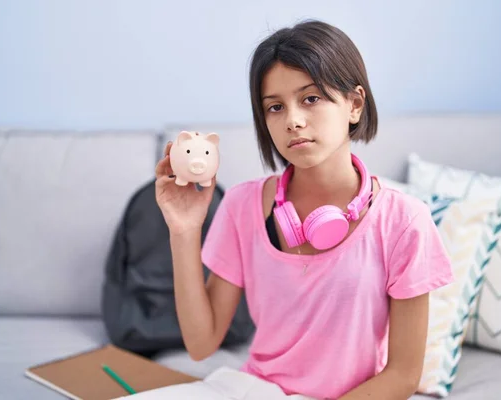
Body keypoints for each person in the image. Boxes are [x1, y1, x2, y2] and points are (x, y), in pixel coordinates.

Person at [151, 19, 454, 400]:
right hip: (254, 389)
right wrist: (184, 230)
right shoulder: (243, 205)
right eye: (275, 107)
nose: (292, 120)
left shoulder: (405, 221)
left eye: (310, 98)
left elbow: (402, 376)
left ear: (354, 104)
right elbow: (200, 345)